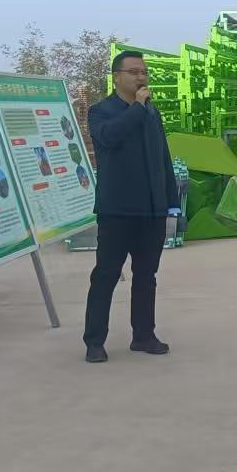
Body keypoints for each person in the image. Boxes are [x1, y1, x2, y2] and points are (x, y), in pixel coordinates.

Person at [82, 50, 180, 363]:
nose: (141, 77)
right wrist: (137, 107)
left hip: (151, 210)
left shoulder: (152, 113)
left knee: (146, 276)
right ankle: (94, 341)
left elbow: (163, 158)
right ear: (116, 77)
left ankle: (144, 335)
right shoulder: (101, 112)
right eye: (134, 72)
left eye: (144, 72)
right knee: (106, 275)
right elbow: (109, 138)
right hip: (117, 211)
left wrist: (171, 202)